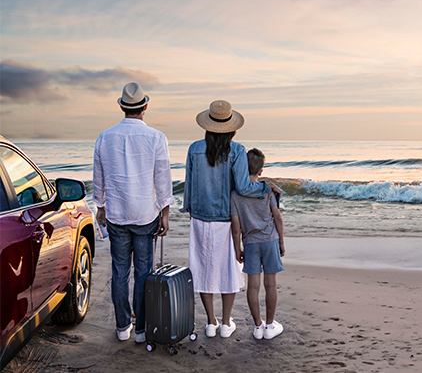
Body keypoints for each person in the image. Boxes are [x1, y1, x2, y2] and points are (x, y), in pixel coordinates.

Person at [183, 100, 282, 339]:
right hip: (225, 219)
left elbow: (188, 185)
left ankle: (210, 322)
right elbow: (243, 187)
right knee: (228, 270)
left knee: (203, 269)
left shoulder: (194, 148)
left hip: (200, 217)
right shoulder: (236, 150)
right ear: (232, 127)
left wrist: (189, 208)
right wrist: (266, 188)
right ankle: (227, 323)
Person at [93, 82, 173, 343]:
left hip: (116, 214)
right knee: (143, 272)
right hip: (144, 215)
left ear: (121, 107)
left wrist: (100, 207)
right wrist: (165, 213)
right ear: (145, 107)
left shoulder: (105, 137)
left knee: (120, 272)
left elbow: (99, 178)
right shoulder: (156, 137)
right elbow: (163, 179)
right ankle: (140, 329)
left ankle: (121, 327)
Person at [230, 148, 285, 340]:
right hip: (270, 241)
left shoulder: (235, 195)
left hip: (251, 244)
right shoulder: (266, 190)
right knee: (271, 285)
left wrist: (237, 248)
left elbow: (236, 227)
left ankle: (258, 326)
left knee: (253, 287)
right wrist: (282, 242)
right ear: (261, 171)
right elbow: (277, 218)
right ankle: (270, 326)